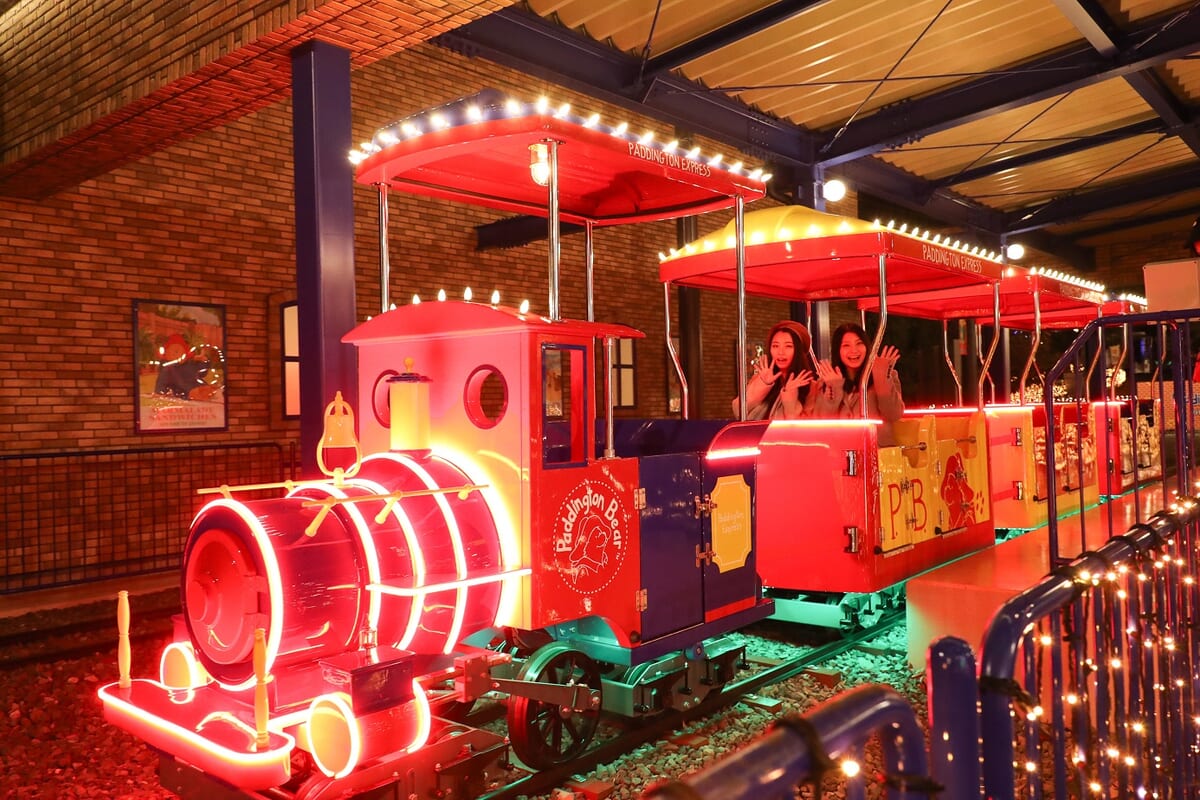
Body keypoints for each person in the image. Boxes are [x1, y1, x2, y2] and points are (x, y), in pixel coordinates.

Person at [813, 322, 904, 446]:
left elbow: (893, 414)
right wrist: (834, 390)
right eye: (846, 345)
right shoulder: (827, 380)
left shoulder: (888, 375)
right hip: (842, 452)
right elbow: (820, 426)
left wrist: (881, 377)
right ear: (837, 350)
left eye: (859, 343)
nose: (854, 350)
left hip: (878, 451)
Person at [732, 320, 816, 420]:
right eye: (775, 346)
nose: (781, 352)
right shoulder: (760, 379)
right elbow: (738, 412)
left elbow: (808, 426)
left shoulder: (812, 388)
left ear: (798, 351)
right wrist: (764, 384)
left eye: (788, 346)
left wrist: (790, 398)